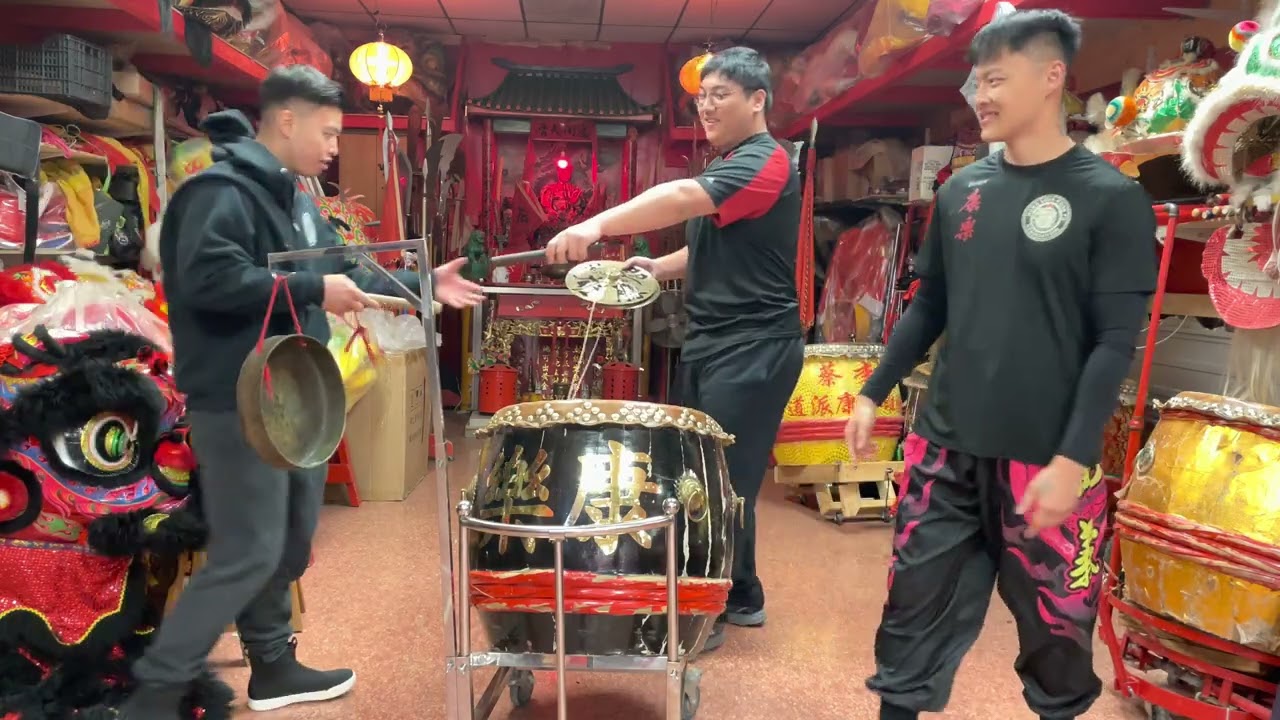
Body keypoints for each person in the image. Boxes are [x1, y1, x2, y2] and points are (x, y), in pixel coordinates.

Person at [121, 65, 482, 719]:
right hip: (237, 397)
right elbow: (207, 281)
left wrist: (424, 284)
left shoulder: (295, 199)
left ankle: (273, 665)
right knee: (247, 550)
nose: (335, 146)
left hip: (294, 393)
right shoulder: (218, 192)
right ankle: (154, 692)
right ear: (286, 121)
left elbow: (339, 265)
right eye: (330, 131)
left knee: (287, 539)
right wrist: (311, 291)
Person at [843, 11, 1157, 720]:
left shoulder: (1111, 199)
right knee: (908, 621)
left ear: (1051, 79)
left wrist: (1073, 461)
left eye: (995, 79)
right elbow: (931, 309)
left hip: (1047, 463)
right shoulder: (960, 192)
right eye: (975, 81)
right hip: (946, 449)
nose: (979, 96)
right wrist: (873, 390)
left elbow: (1114, 343)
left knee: (1055, 640)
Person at [544, 46, 804, 652]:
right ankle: (740, 595)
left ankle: (704, 611)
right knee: (713, 475)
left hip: (755, 345)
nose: (706, 106)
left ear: (758, 100)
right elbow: (714, 250)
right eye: (702, 97)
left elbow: (685, 198)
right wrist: (656, 266)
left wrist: (595, 226)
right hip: (714, 340)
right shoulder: (738, 163)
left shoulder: (764, 161)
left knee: (716, 480)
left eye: (721, 95)